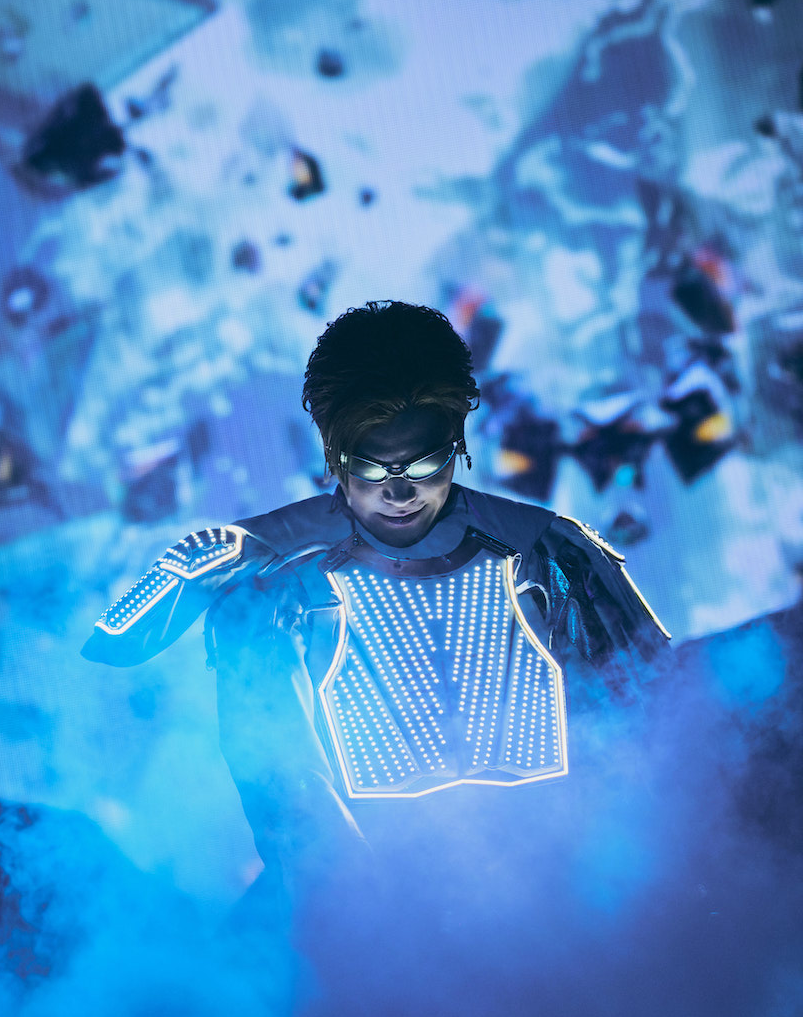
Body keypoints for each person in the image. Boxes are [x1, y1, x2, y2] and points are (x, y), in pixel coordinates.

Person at [82, 301, 669, 891]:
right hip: (365, 894)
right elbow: (282, 786)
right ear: (336, 458)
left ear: (456, 444)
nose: (400, 492)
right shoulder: (278, 581)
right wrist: (358, 904)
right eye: (373, 468)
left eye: (425, 463)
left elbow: (656, 718)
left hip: (564, 879)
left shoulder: (549, 552)